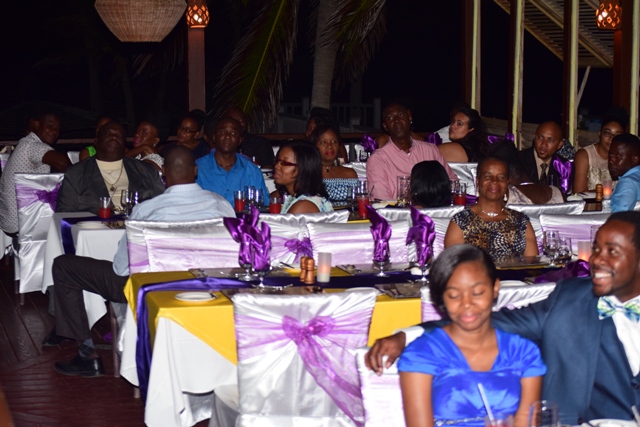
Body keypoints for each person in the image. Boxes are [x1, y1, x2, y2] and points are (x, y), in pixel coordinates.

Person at [367, 212, 640, 425]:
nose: (595, 260)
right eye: (596, 249)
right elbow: (487, 320)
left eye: (612, 251)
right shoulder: (571, 300)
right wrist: (408, 335)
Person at [51, 146, 235, 377]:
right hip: (210, 286)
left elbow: (121, 268)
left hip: (154, 291)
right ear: (195, 171)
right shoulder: (222, 205)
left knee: (64, 266)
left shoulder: (146, 210)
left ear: (164, 172)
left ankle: (87, 355)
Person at [399, 244, 545, 427]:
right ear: (441, 298)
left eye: (477, 293)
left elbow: (527, 421)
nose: (466, 303)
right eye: (453, 295)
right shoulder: (421, 353)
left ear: (495, 288)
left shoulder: (523, 352)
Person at [56, 121, 164, 214]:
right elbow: (65, 215)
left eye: (119, 136)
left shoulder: (146, 171)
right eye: (108, 134)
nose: (114, 137)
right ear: (96, 141)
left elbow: (163, 208)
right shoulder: (76, 173)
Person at [445, 157, 538, 261]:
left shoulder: (521, 221)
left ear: (507, 183)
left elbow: (532, 267)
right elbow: (453, 267)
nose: (494, 181)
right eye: (488, 177)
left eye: (501, 177)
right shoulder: (460, 221)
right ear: (477, 181)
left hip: (515, 277)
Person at [367, 102, 457, 201]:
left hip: (433, 212)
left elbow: (452, 183)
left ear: (409, 117)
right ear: (385, 126)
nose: (397, 120)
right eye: (390, 118)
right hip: (397, 215)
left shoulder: (430, 150)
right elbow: (381, 201)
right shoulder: (378, 159)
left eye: (401, 115)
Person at [0, 111, 71, 235]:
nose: (54, 131)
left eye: (57, 129)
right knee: (68, 226)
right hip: (22, 222)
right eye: (50, 126)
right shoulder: (33, 145)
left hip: (10, 219)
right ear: (36, 125)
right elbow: (64, 164)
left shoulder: (25, 143)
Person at [196, 117, 269, 207]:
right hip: (209, 220)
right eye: (222, 132)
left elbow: (262, 205)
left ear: (240, 140)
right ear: (214, 137)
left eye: (233, 133)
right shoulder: (198, 168)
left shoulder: (251, 171)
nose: (227, 136)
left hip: (243, 220)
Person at [273, 141, 333, 214]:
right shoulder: (293, 198)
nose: (276, 166)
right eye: (277, 161)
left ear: (302, 168)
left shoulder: (303, 206)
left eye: (284, 163)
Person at [573, 115, 626, 193]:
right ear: (599, 134)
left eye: (617, 135)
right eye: (607, 133)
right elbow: (579, 192)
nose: (612, 138)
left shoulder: (625, 157)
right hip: (589, 204)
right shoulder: (584, 155)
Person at [307, 124, 358, 204]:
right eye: (323, 142)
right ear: (314, 146)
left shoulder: (350, 174)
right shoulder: (307, 174)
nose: (330, 146)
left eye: (334, 141)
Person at [518, 121, 568, 186]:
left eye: (551, 140)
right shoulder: (517, 161)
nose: (544, 144)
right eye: (540, 137)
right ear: (534, 137)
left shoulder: (564, 167)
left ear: (559, 144)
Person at [609, 134, 640, 213]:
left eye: (618, 156)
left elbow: (619, 220)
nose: (611, 160)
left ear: (635, 159)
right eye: (610, 155)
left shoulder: (627, 183)